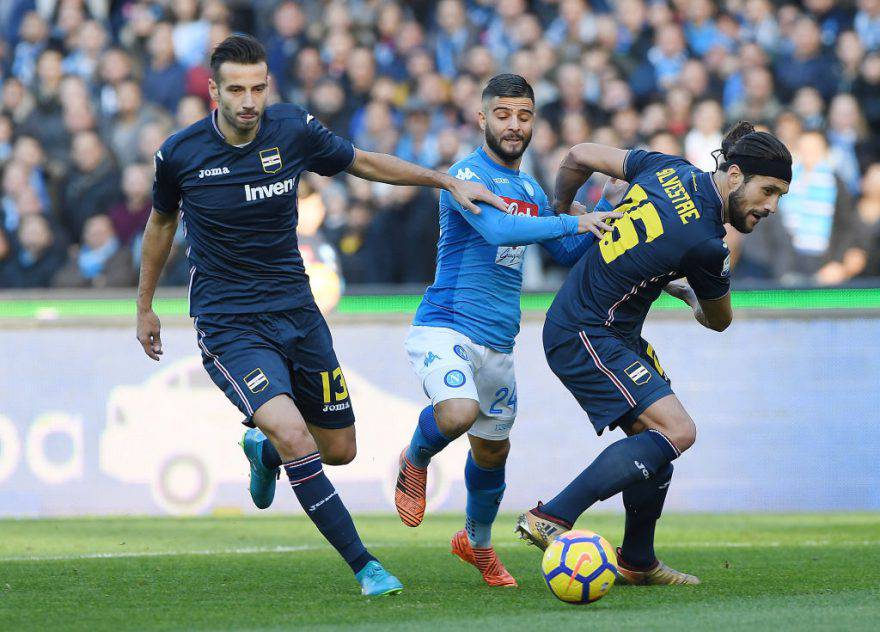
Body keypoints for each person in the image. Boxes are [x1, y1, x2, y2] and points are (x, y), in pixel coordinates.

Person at [135, 34, 507, 598]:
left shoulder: (293, 130)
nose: (248, 101)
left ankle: (263, 448)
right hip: (230, 324)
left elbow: (362, 163)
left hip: (299, 314)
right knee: (293, 433)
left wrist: (446, 179)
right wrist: (145, 306)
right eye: (235, 89)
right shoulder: (180, 155)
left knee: (340, 450)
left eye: (258, 87)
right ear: (213, 91)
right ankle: (366, 567)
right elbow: (160, 226)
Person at [515, 121, 792, 585]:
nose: (771, 207)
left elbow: (579, 154)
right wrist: (688, 296)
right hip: (587, 331)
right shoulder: (707, 244)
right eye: (768, 191)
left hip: (608, 332)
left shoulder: (666, 168)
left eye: (780, 196)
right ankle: (554, 516)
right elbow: (719, 320)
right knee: (678, 431)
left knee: (658, 439)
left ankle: (638, 561)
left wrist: (562, 212)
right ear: (736, 175)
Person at [393, 74, 619, 587]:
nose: (514, 125)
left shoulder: (529, 187)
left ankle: (476, 545)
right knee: (458, 412)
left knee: (492, 451)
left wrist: (606, 213)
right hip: (444, 326)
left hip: (498, 343)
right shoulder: (465, 174)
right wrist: (574, 222)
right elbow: (498, 229)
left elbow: (562, 251)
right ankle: (415, 456)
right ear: (482, 119)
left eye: (523, 116)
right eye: (503, 114)